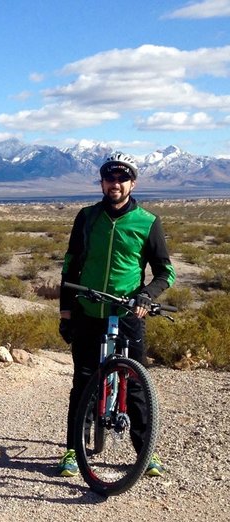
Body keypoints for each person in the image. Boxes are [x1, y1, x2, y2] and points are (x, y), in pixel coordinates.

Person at [57, 152, 176, 477]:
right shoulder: (87, 217)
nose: (116, 183)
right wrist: (65, 310)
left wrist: (145, 296)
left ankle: (144, 451)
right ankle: (72, 449)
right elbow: (71, 265)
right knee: (82, 381)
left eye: (122, 178)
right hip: (88, 310)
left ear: (132, 183)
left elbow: (166, 272)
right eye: (110, 178)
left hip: (127, 313)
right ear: (102, 182)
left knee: (135, 382)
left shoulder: (148, 222)